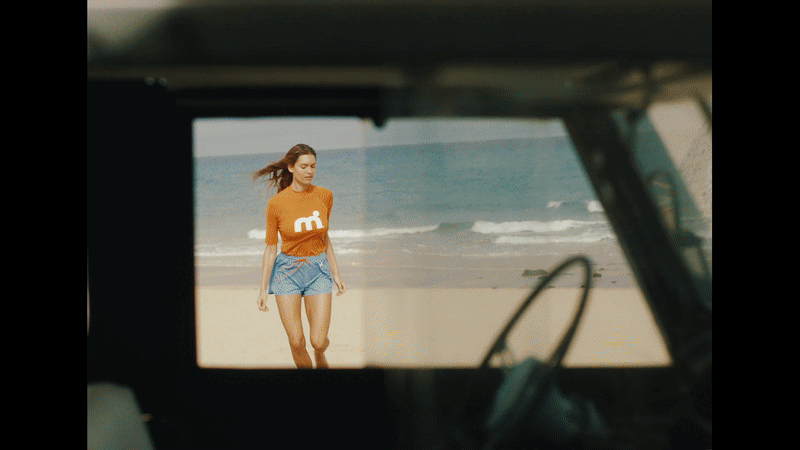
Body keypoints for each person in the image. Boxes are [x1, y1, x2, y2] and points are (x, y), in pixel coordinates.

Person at [252, 144, 346, 368]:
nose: (309, 171)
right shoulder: (276, 204)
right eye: (304, 166)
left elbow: (324, 237)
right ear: (291, 167)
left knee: (318, 341)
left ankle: (320, 353)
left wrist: (336, 273)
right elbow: (271, 248)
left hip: (318, 271)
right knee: (296, 341)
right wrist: (263, 288)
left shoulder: (325, 196)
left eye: (313, 166)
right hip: (287, 273)